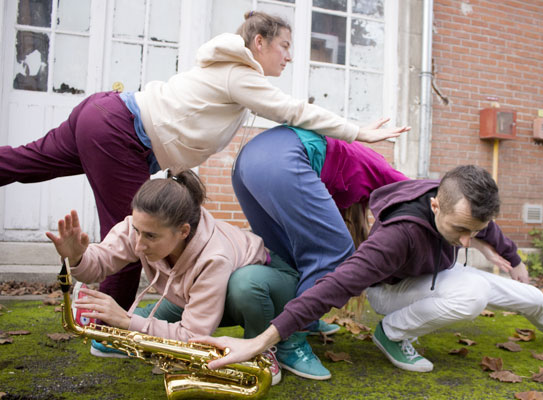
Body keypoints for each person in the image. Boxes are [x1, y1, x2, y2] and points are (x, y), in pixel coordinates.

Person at [0, 10, 409, 313]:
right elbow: (293, 111)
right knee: (136, 236)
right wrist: (359, 131)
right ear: (260, 43)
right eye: (284, 47)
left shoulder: (229, 71)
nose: (288, 58)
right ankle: (106, 327)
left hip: (104, 113)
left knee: (22, 163)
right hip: (120, 131)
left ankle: (106, 320)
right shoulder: (240, 72)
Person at [197, 165, 543, 375]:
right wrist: (263, 340)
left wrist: (513, 259)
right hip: (393, 292)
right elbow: (335, 285)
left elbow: (487, 230)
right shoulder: (398, 237)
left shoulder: (464, 208)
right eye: (460, 230)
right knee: (474, 292)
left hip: (432, 279)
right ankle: (391, 334)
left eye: (473, 231)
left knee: (527, 295)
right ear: (436, 205)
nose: (466, 242)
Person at [46, 169, 297, 385]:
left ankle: (261, 350)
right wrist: (77, 256)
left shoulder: (213, 256)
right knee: (116, 333)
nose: (139, 245)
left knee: (245, 285)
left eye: (151, 237)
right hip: (197, 295)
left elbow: (193, 335)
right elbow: (98, 263)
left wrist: (126, 320)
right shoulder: (143, 226)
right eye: (137, 231)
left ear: (183, 231)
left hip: (272, 280)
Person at [229, 124, 409, 380]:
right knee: (336, 251)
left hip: (245, 163)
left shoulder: (334, 178)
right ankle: (291, 343)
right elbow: (428, 195)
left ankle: (306, 320)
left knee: (290, 252)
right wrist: (484, 234)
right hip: (282, 158)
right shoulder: (380, 170)